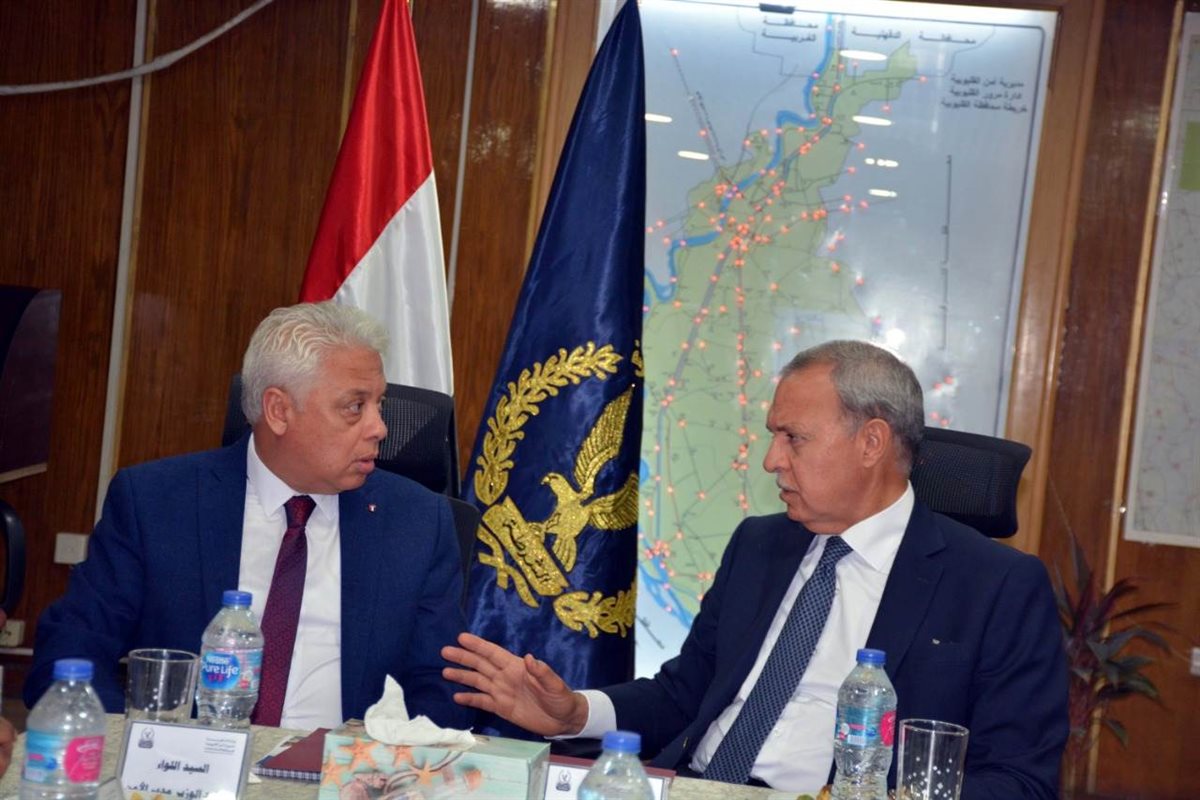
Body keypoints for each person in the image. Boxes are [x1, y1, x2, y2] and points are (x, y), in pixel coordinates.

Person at [443, 340, 1067, 798]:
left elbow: (1019, 780)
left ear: (872, 442)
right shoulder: (760, 544)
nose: (771, 460)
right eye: (773, 436)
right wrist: (576, 713)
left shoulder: (994, 586)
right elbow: (685, 694)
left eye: (793, 438)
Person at [26, 301, 471, 730]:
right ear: (279, 411)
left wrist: (378, 760)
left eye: (379, 405)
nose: (380, 428)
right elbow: (73, 649)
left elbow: (440, 686)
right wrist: (136, 748)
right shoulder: (156, 503)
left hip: (345, 768)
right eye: (355, 407)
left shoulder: (418, 523)